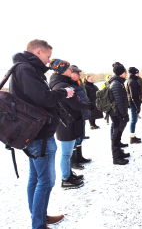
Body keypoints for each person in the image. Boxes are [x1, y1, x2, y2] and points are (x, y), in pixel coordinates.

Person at [9, 39, 73, 229]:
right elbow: (44, 98)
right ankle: (38, 224)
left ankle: (40, 217)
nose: (48, 61)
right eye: (47, 56)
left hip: (35, 133)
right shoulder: (25, 70)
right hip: (39, 135)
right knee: (46, 181)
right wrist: (64, 93)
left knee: (36, 179)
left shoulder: (25, 69)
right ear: (38, 51)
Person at [49, 59, 95, 189]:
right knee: (66, 154)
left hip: (69, 122)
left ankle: (69, 174)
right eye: (69, 69)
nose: (71, 70)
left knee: (68, 152)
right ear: (63, 71)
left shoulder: (61, 83)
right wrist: (90, 106)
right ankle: (65, 179)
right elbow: (75, 104)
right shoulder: (61, 86)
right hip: (66, 124)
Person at [69, 65, 92, 171]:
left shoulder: (77, 84)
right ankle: (73, 161)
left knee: (80, 137)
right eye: (77, 73)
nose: (79, 75)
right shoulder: (69, 84)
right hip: (75, 115)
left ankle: (79, 157)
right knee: (75, 138)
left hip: (81, 114)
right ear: (71, 73)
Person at [108, 62, 131, 165]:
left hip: (118, 114)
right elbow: (119, 102)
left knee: (118, 135)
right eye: (124, 71)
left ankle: (119, 154)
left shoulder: (118, 82)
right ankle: (116, 158)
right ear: (121, 73)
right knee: (116, 136)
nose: (126, 73)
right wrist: (124, 115)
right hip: (117, 114)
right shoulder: (116, 84)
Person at [126, 67, 142, 144]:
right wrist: (137, 106)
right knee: (133, 120)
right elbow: (134, 96)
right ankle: (132, 137)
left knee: (134, 120)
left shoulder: (131, 80)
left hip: (132, 103)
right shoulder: (132, 82)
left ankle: (133, 136)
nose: (138, 74)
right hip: (133, 103)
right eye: (137, 73)